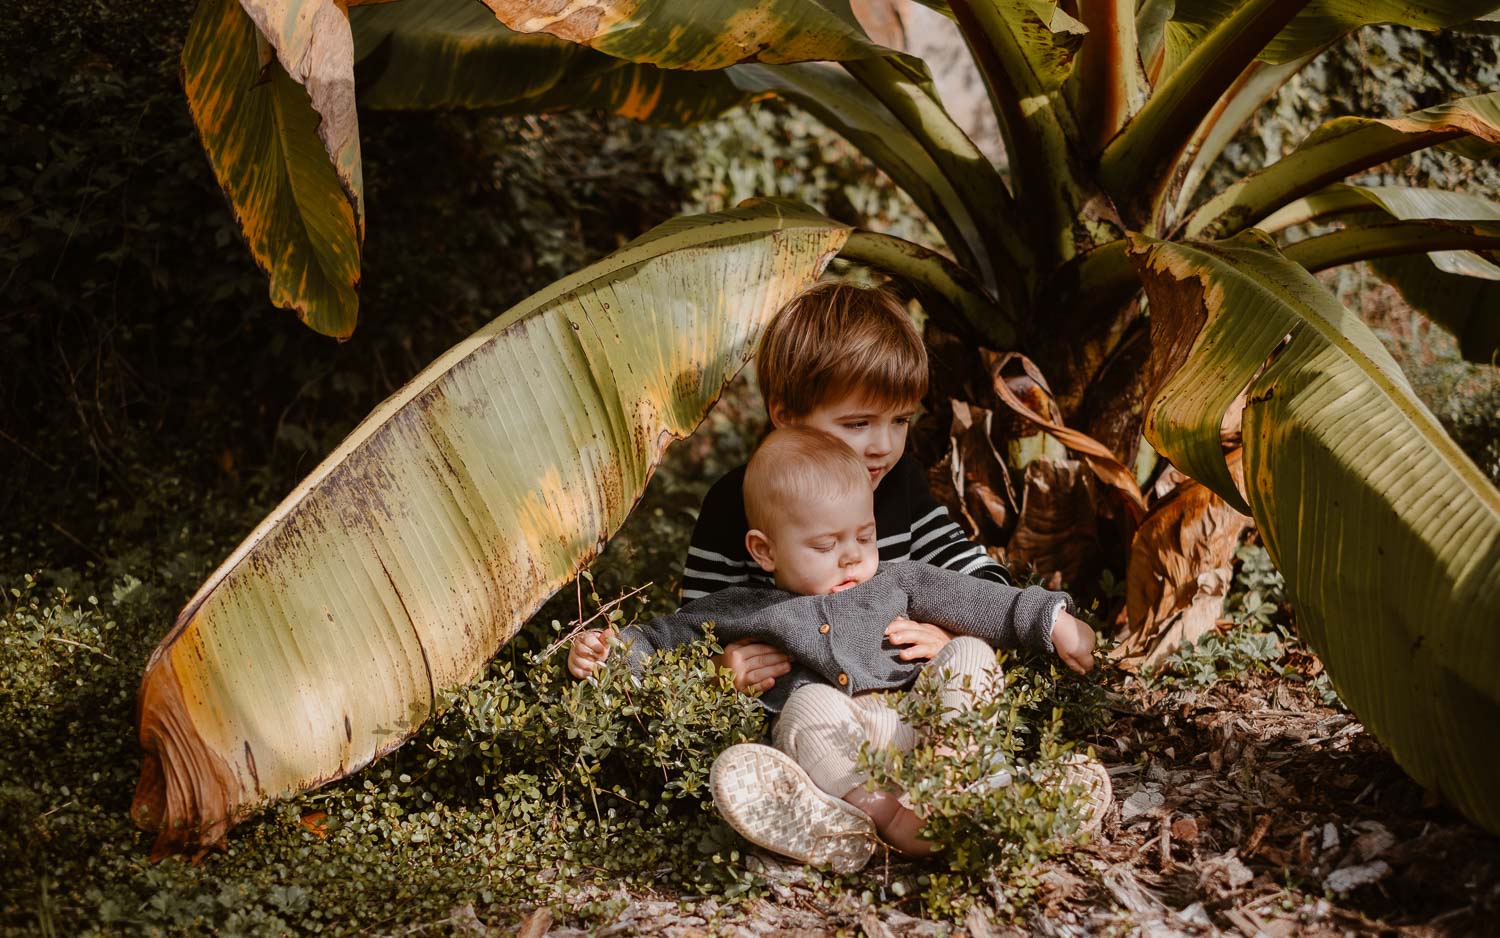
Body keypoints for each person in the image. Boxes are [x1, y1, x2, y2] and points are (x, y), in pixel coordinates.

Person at [568, 428, 1106, 872]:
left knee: (968, 653)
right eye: (826, 545)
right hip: (847, 745)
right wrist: (612, 654)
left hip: (922, 725)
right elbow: (666, 638)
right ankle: (880, 819)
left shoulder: (896, 581)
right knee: (806, 709)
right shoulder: (745, 609)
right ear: (765, 550)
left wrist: (1049, 620)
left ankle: (957, 780)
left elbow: (971, 598)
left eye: (864, 537)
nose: (851, 558)